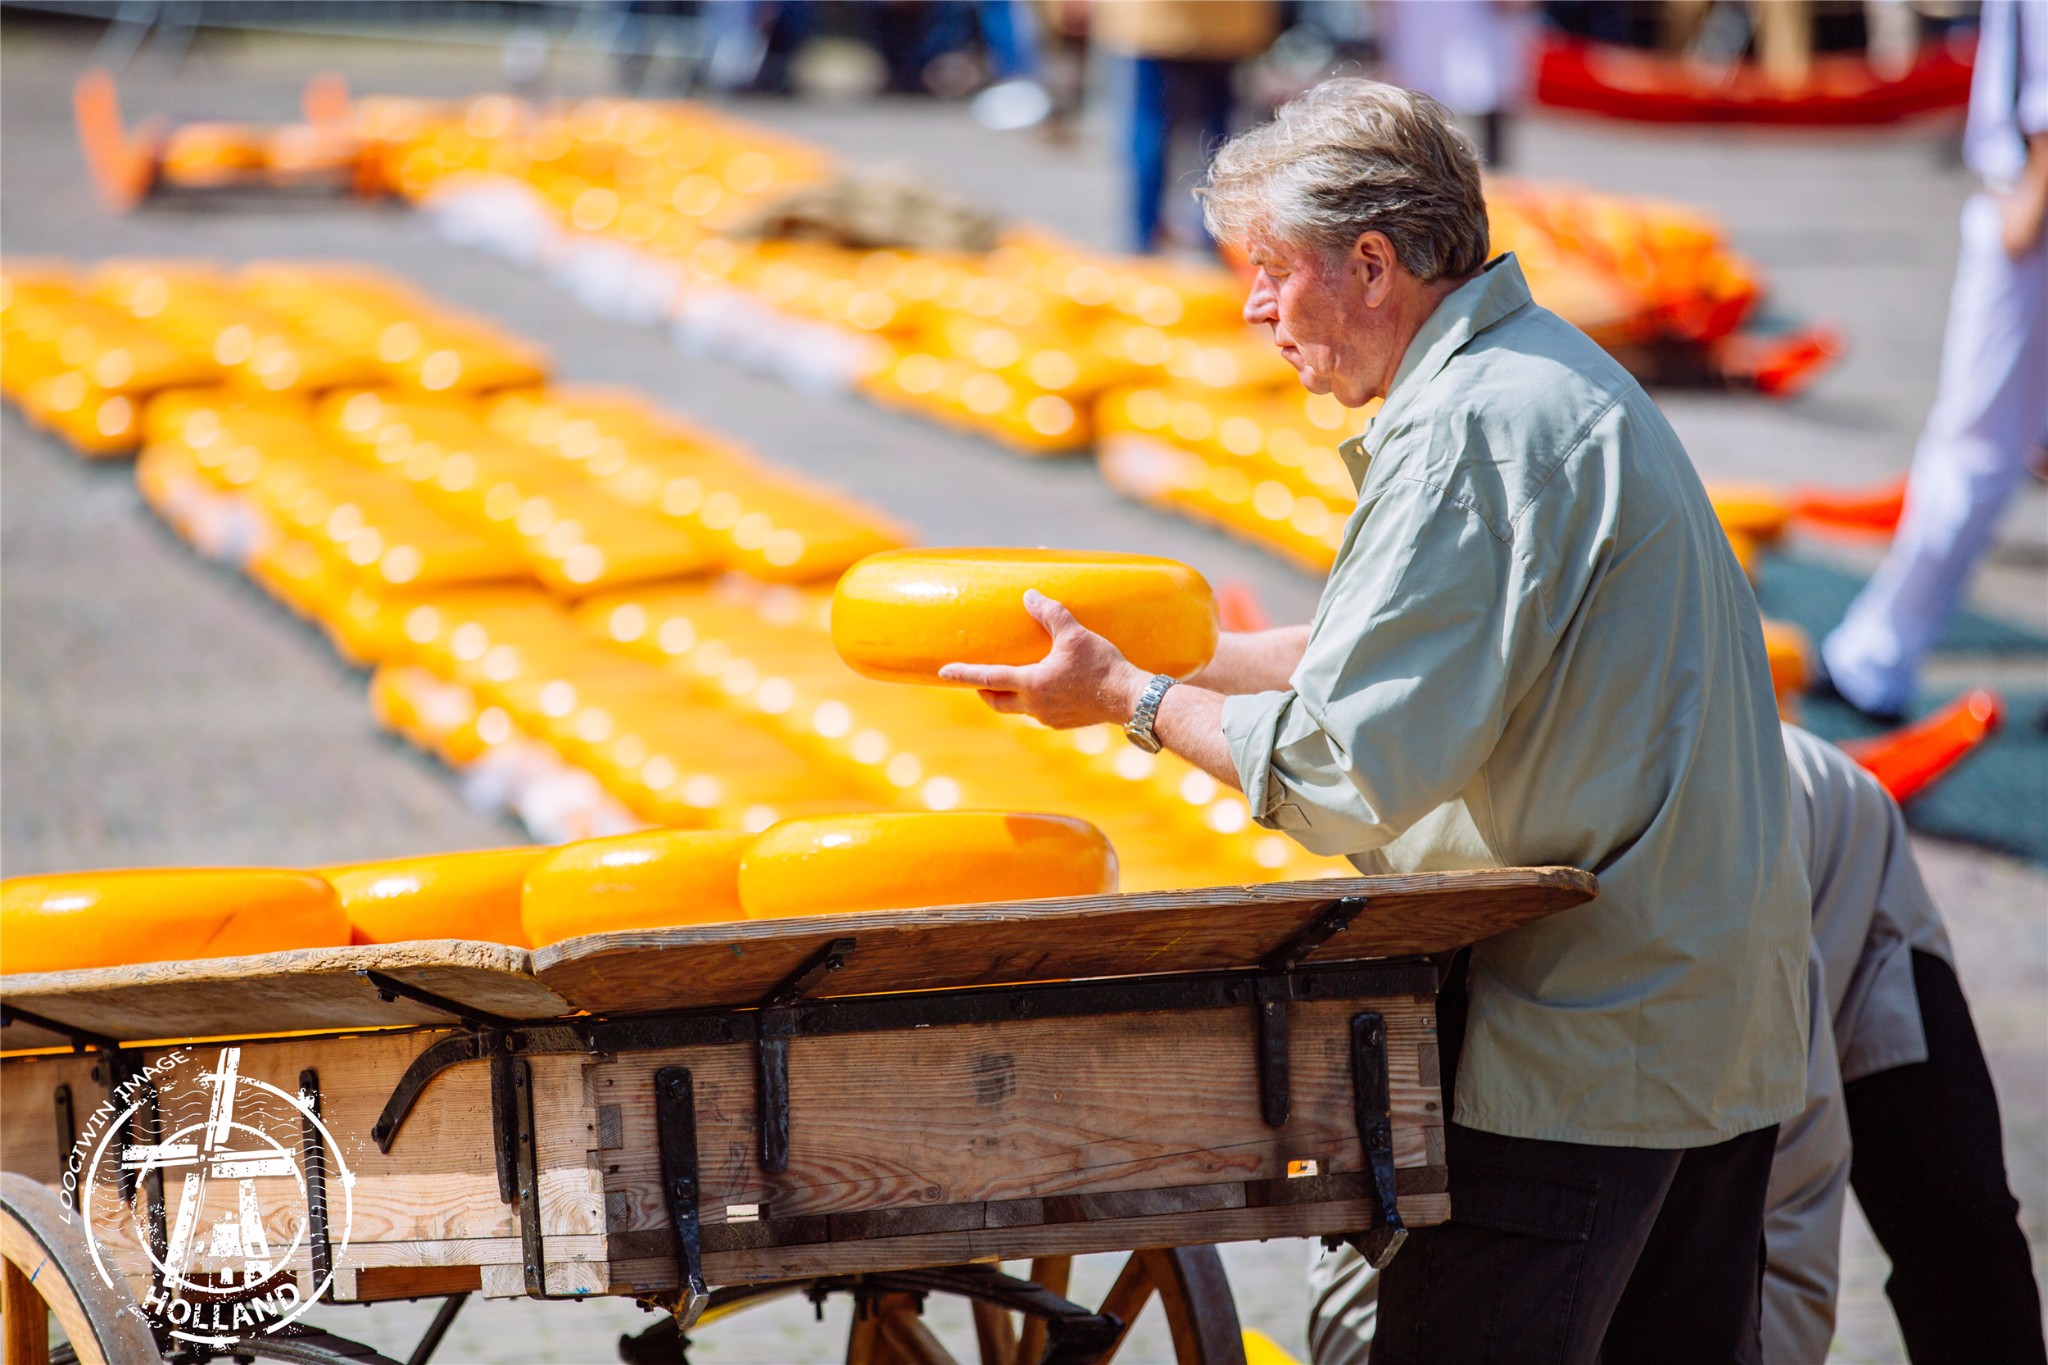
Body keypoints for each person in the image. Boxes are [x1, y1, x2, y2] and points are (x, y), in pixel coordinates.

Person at [940, 78, 1808, 1359]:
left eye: (1268, 271)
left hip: (1578, 1045)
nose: (1248, 309)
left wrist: (1128, 702)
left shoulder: (1470, 429)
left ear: (1368, 262)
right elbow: (1405, 650)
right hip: (1696, 1017)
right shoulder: (1540, 378)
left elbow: (1341, 767)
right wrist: (1175, 656)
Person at [1306, 724, 2047, 1364]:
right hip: (1602, 960)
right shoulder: (1438, 922)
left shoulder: (1718, 932)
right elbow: (1369, 1293)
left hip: (1833, 865)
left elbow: (1789, 1214)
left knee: (1956, 1225)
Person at [1820, 0, 2047, 722]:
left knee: (1974, 445)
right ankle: (1875, 650)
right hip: (2025, 193)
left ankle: (1877, 656)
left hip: (2028, 206)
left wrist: (2035, 194)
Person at [1091, 0, 1279, 252]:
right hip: (1223, 18)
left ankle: (1142, 241)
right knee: (1217, 131)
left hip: (1152, 18)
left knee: (1150, 123)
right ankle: (1214, 238)